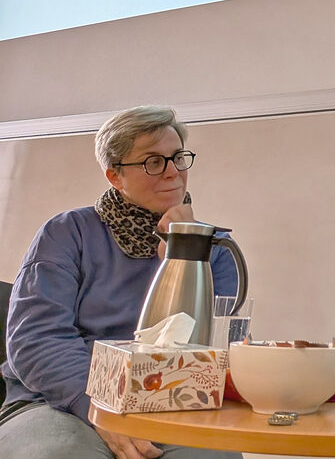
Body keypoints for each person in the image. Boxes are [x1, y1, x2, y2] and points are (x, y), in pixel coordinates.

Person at [0, 106, 242, 459]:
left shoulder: (215, 249)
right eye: (153, 162)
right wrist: (99, 408)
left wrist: (183, 254)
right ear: (115, 176)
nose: (173, 172)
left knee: (215, 455)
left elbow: (208, 351)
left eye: (178, 158)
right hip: (58, 400)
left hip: (169, 403)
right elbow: (37, 340)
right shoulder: (67, 233)